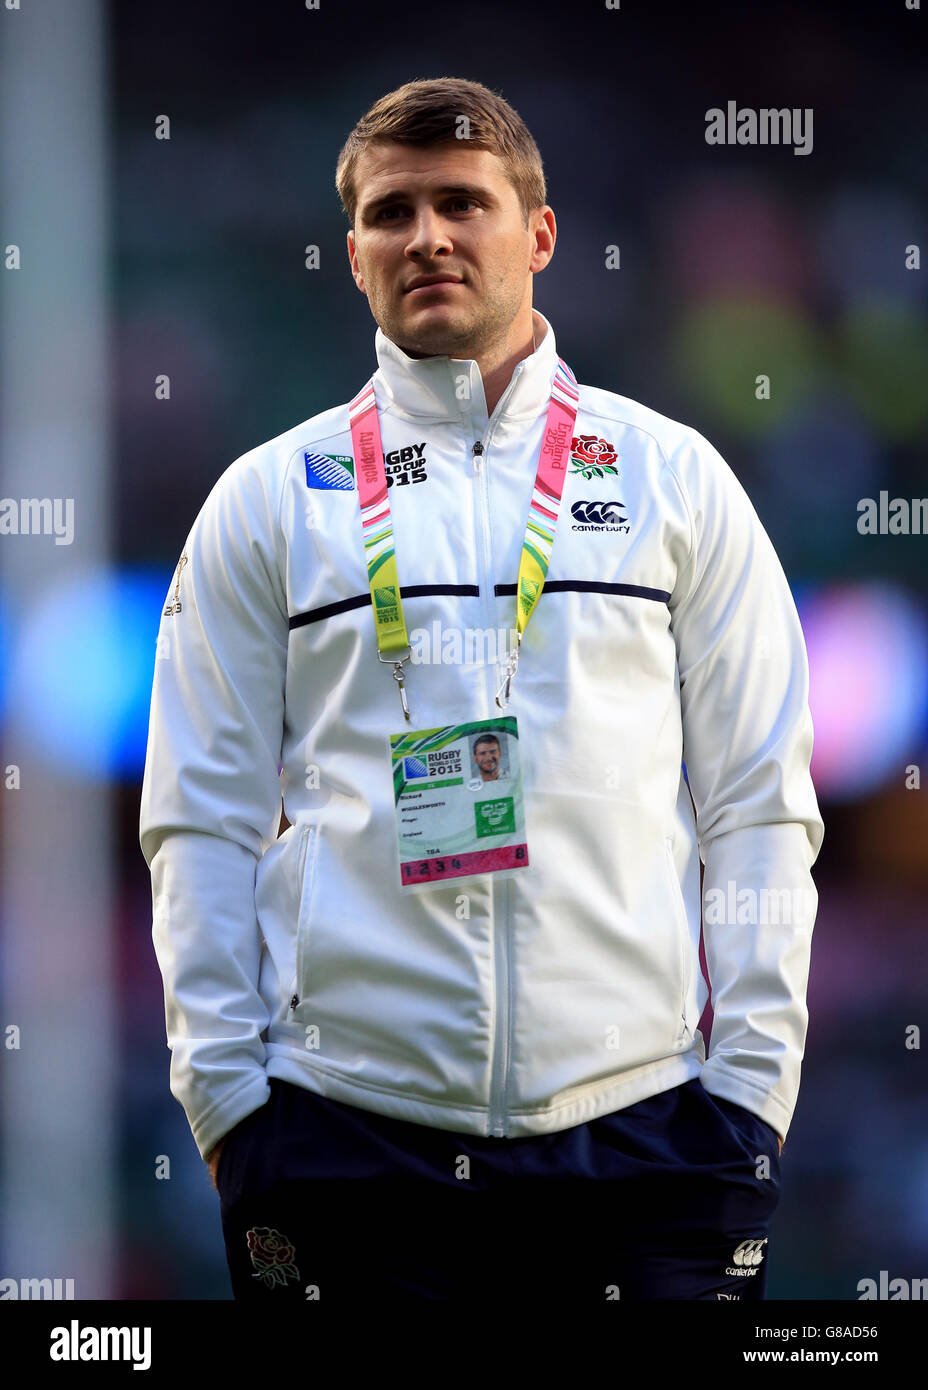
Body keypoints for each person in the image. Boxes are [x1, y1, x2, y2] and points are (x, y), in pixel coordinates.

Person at [140, 76, 824, 1303]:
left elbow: (759, 808)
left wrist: (752, 1091)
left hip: (645, 1133)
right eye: (393, 213)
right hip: (347, 1133)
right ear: (353, 253)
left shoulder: (677, 480)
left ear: (540, 235)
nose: (430, 237)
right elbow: (200, 822)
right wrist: (229, 1102)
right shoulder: (264, 499)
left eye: (463, 202)